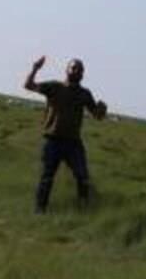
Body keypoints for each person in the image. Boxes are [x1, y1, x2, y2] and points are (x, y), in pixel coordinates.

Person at [24, 54, 107, 213]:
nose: (76, 71)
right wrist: (35, 68)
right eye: (73, 67)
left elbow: (97, 116)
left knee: (82, 177)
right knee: (47, 178)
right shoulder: (54, 87)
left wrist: (102, 110)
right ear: (66, 70)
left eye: (80, 70)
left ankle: (83, 209)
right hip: (52, 140)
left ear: (82, 74)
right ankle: (40, 211)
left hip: (73, 143)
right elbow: (28, 85)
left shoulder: (85, 94)